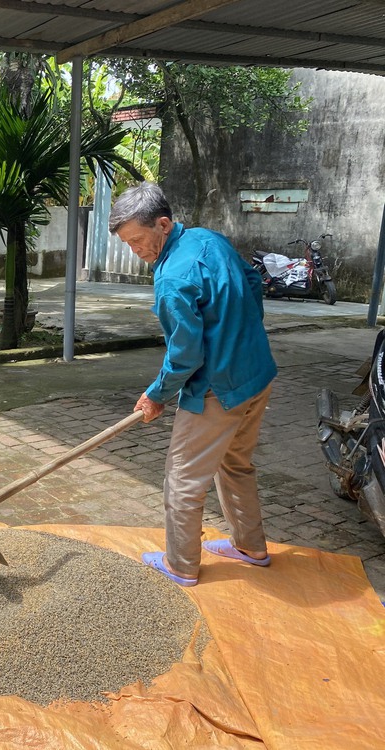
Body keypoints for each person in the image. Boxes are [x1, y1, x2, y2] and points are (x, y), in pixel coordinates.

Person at [108, 182, 278, 587]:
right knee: (236, 463)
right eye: (127, 243)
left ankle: (181, 565)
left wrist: (156, 395)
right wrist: (243, 333)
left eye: (137, 240)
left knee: (183, 479)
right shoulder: (209, 239)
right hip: (257, 375)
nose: (135, 250)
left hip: (219, 391)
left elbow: (185, 357)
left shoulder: (172, 279)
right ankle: (250, 546)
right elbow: (253, 283)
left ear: (163, 224)